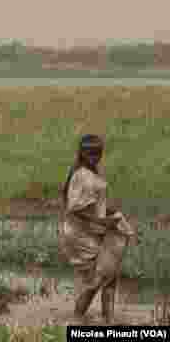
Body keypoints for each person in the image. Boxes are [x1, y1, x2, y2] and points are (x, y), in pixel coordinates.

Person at [60, 134, 137, 324]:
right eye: (90, 153)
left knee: (109, 276)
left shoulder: (87, 172)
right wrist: (102, 221)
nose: (95, 156)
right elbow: (76, 210)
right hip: (82, 234)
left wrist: (112, 213)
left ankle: (108, 321)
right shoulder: (83, 176)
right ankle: (77, 320)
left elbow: (93, 204)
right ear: (82, 154)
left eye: (98, 153)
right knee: (97, 280)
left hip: (89, 230)